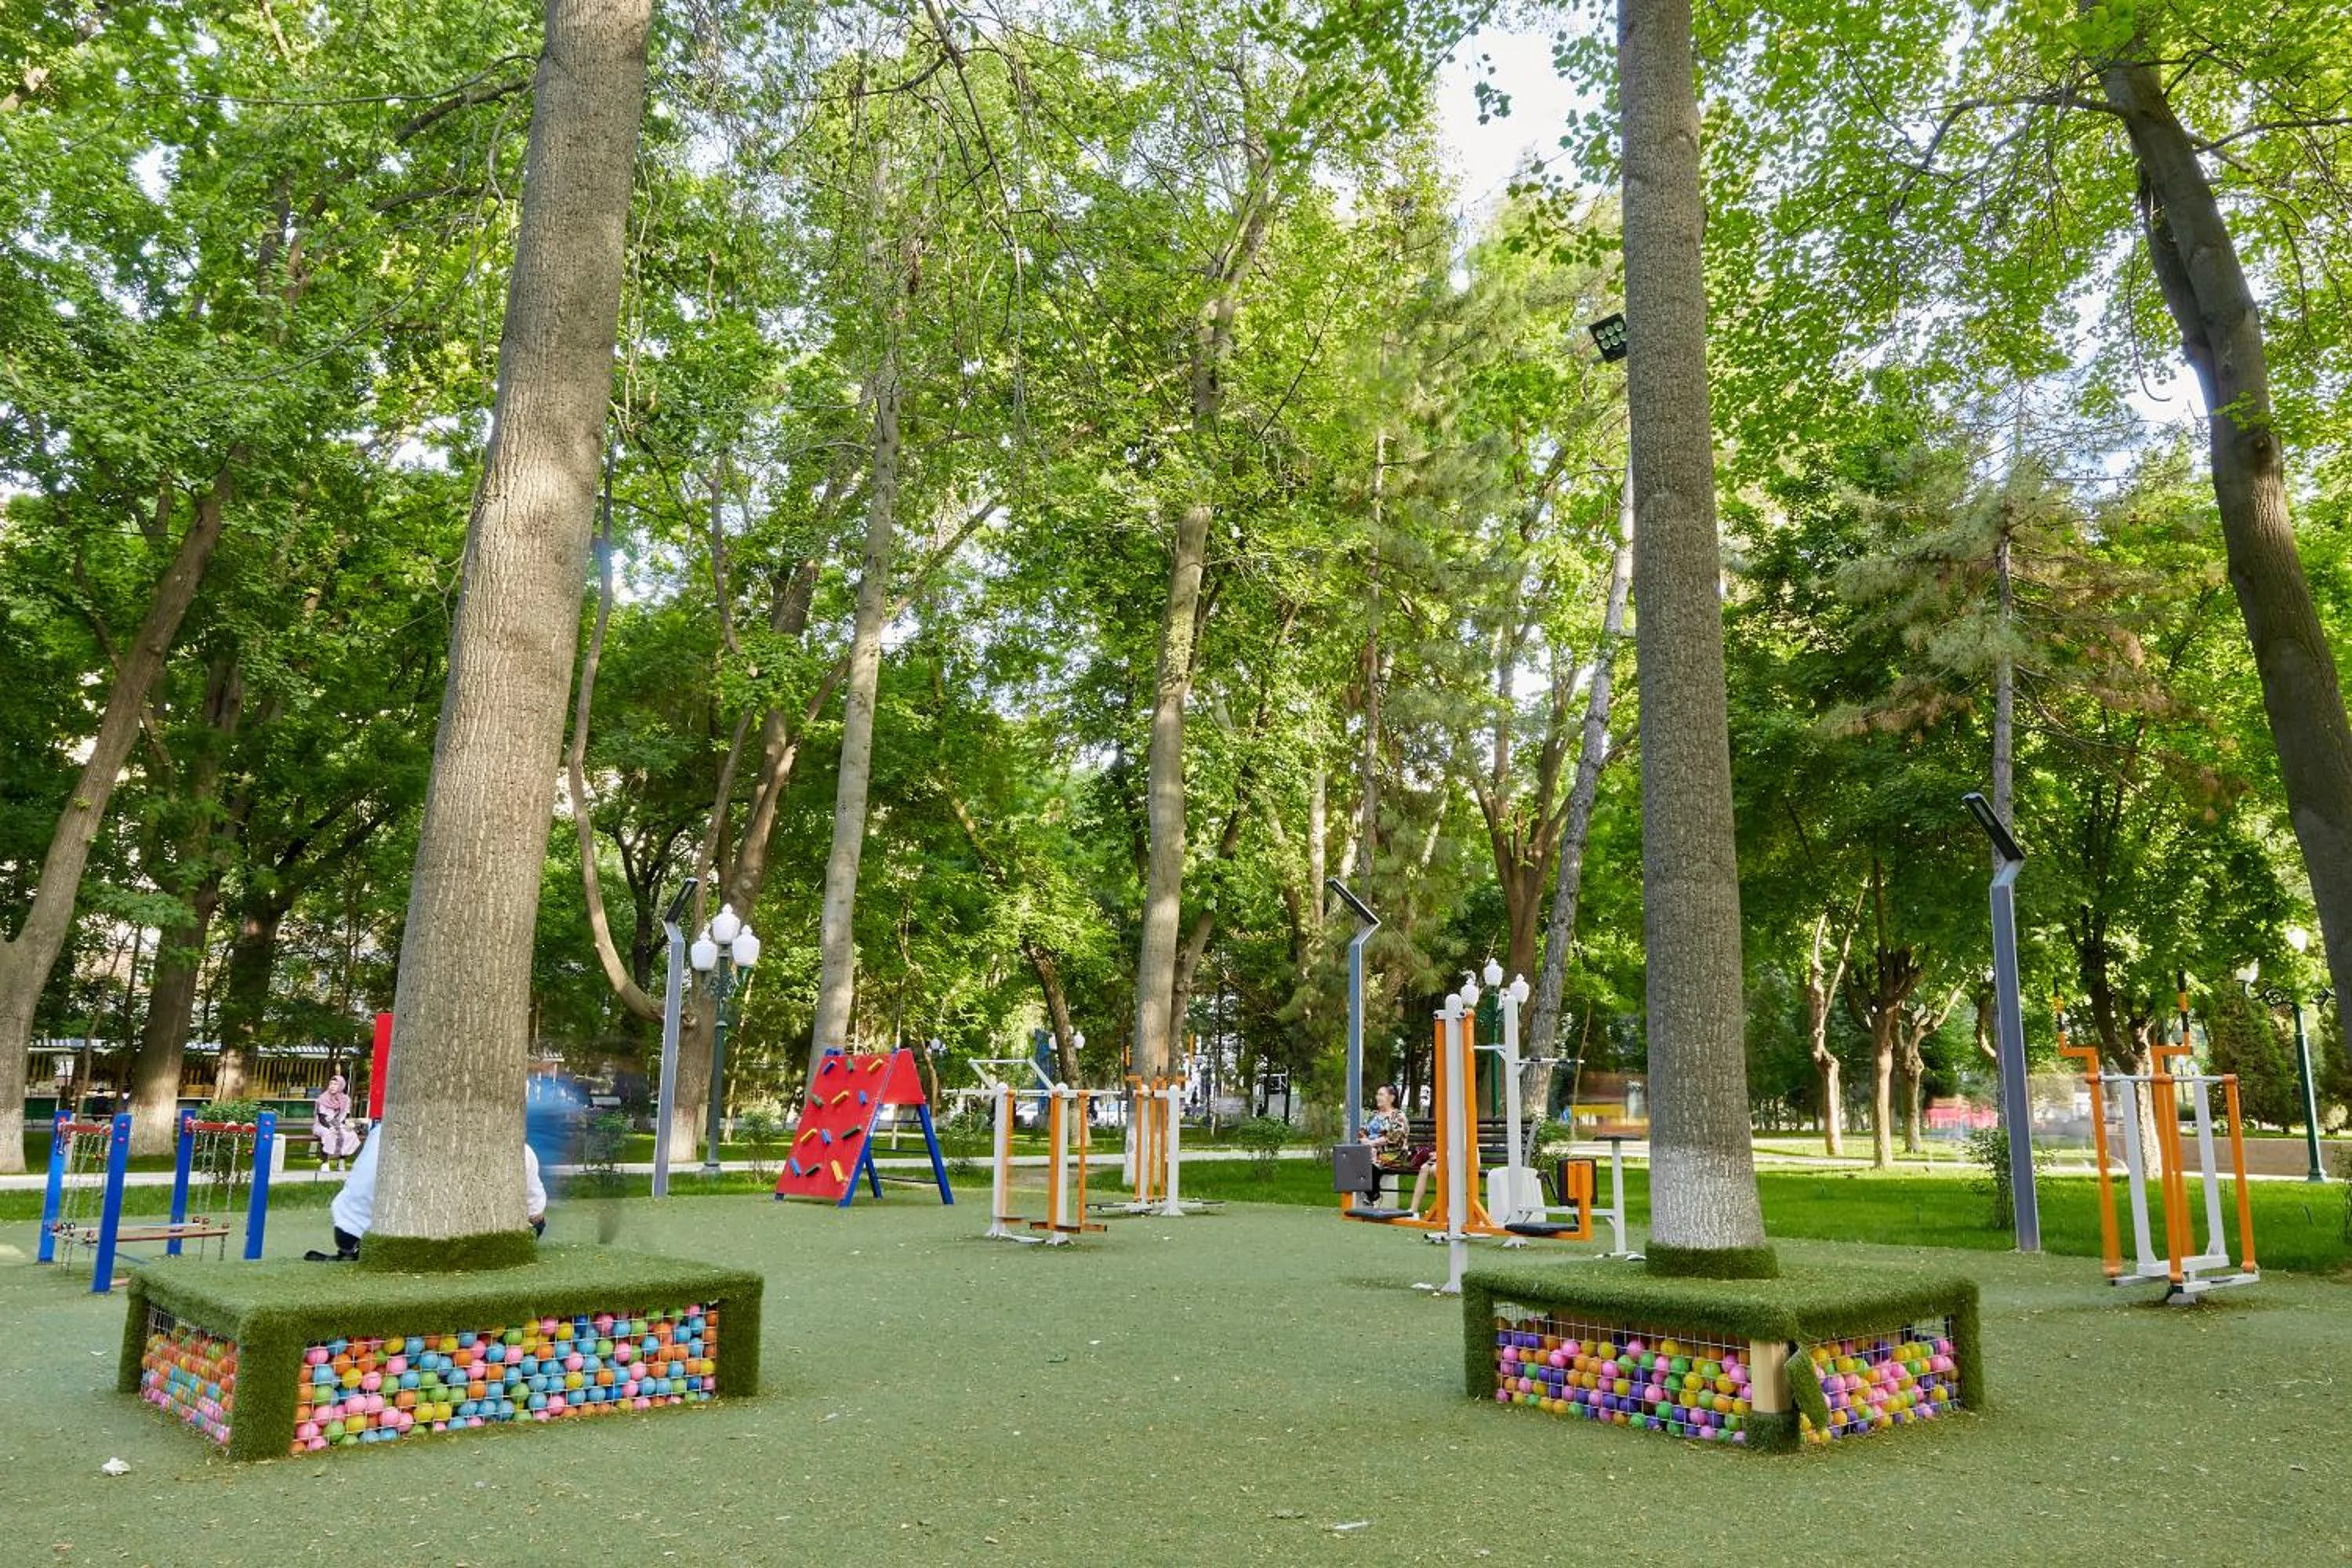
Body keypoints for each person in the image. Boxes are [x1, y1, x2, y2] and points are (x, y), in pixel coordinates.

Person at [307, 1122, 547, 1261]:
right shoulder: (513, 1149)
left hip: (348, 1231)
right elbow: (535, 1214)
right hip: (403, 1243)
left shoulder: (386, 1127)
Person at [1364, 1083, 1435, 1215]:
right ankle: (1371, 1195)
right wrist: (1367, 1144)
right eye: (1377, 1094)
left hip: (1393, 1154)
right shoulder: (1373, 1115)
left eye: (1381, 1094)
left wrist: (1372, 1144)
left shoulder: (1399, 1117)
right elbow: (1362, 1133)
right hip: (1372, 1151)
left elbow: (1394, 1137)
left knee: (1373, 1163)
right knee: (1355, 1162)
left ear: (1391, 1098)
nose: (1377, 1097)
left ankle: (1372, 1196)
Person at [313, 1073, 361, 1173]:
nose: (332, 1087)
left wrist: (347, 1125)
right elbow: (321, 1118)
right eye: (331, 1084)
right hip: (323, 1124)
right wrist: (330, 1127)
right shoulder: (323, 1098)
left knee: (350, 1135)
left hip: (338, 1124)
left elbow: (344, 1117)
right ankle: (325, 1162)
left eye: (335, 1084)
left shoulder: (346, 1099)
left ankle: (341, 1160)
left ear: (341, 1086)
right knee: (328, 1134)